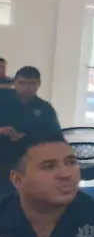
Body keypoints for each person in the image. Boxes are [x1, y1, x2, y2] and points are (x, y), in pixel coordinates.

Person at [0, 67, 63, 197]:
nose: (26, 87)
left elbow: (56, 138)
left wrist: (26, 137)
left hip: (30, 161)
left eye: (31, 83)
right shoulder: (3, 100)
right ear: (14, 82)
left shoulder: (45, 108)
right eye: (22, 83)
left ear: (39, 84)